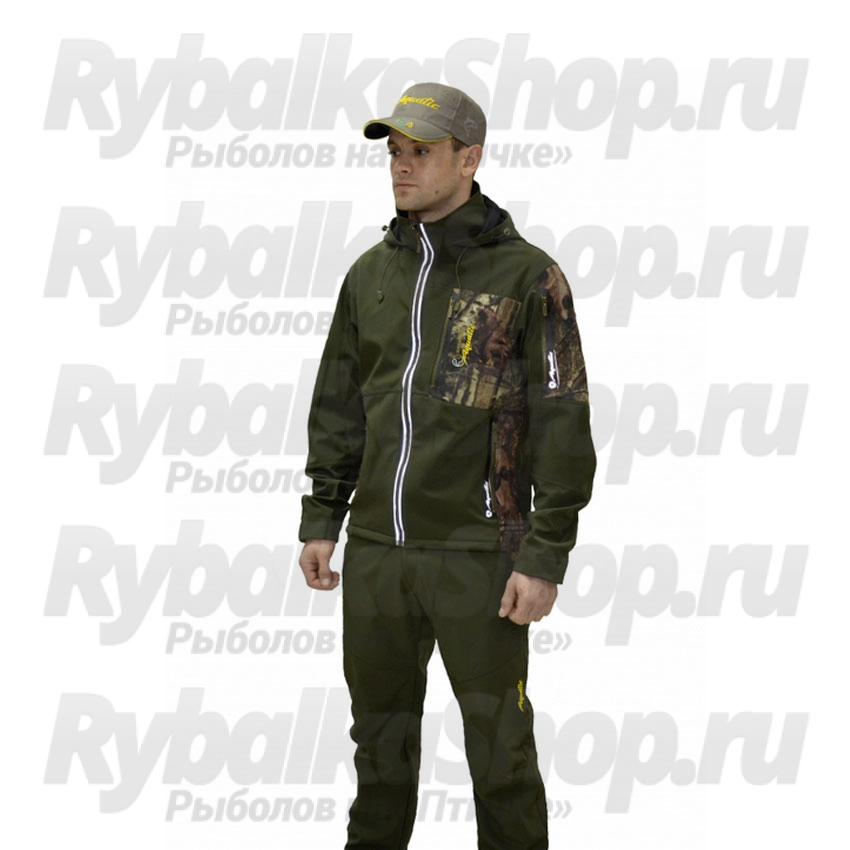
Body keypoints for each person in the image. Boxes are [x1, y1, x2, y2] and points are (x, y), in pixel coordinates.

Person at [297, 82, 597, 850]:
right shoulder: (370, 275)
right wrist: (324, 517)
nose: (402, 166)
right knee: (378, 751)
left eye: (422, 152)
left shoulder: (528, 276)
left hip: (479, 555)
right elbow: (339, 404)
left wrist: (545, 554)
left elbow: (563, 422)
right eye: (396, 152)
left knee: (501, 757)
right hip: (377, 554)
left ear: (470, 159)